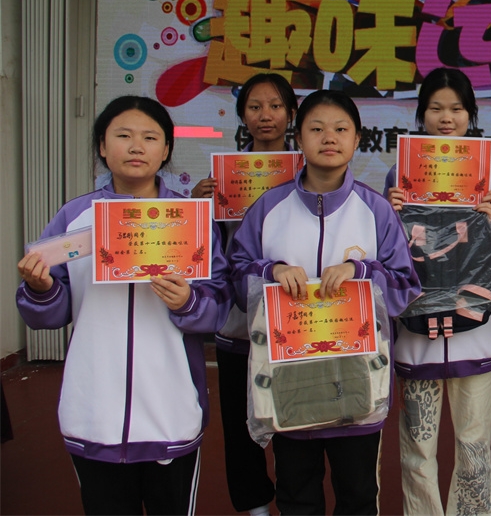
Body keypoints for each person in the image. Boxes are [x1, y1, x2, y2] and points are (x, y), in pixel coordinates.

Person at [16, 96, 231, 515]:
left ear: (165, 150)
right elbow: (49, 313)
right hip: (93, 411)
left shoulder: (190, 219)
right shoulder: (75, 218)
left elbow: (219, 303)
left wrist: (188, 302)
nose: (136, 147)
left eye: (150, 137)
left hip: (170, 411)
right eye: (123, 136)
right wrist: (41, 288)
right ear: (102, 145)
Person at [228, 90, 420, 515]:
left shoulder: (375, 210)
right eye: (316, 129)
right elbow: (235, 278)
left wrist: (362, 272)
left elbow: (405, 287)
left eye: (340, 129)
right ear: (298, 138)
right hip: (290, 382)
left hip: (358, 383)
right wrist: (270, 271)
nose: (328, 137)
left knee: (358, 497)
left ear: (357, 139)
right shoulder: (269, 207)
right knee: (296, 497)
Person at [383, 68, 491, 515]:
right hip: (416, 330)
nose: (446, 118)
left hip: (475, 327)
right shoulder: (400, 172)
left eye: (456, 109)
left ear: (470, 114)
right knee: (417, 452)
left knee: (474, 447)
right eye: (436, 108)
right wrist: (392, 218)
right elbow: (389, 257)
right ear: (421, 114)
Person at [192, 72, 298, 516]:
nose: (265, 115)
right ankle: (254, 506)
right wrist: (199, 207)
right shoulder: (224, 176)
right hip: (239, 321)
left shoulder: (310, 172)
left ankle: (295, 500)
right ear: (242, 116)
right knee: (239, 423)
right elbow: (204, 251)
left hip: (295, 318)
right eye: (255, 107)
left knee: (295, 419)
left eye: (274, 106)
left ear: (291, 114)